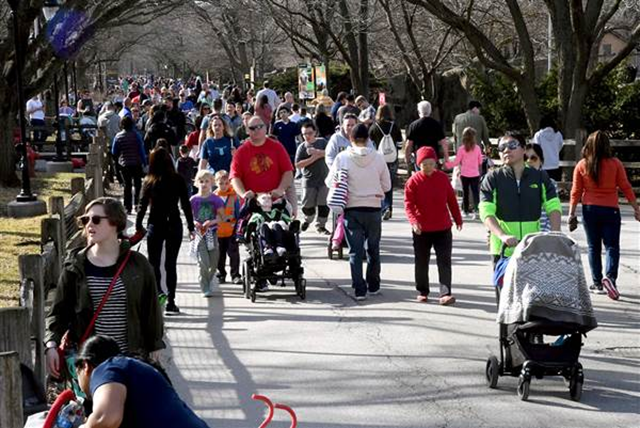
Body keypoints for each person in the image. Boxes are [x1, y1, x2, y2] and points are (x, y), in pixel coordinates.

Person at [45, 198, 164, 378]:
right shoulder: (75, 265)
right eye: (85, 220)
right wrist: (51, 344)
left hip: (129, 359)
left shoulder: (137, 264)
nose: (89, 225)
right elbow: (60, 311)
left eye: (96, 219)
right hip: (91, 363)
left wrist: (155, 345)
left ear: (115, 223)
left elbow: (151, 309)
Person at [74, 335, 209, 428]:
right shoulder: (135, 369)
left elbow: (106, 420)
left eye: (77, 374)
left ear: (85, 366)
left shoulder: (107, 368)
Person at [568, 130, 640, 298]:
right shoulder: (615, 164)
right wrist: (636, 207)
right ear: (607, 146)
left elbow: (576, 191)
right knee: (612, 246)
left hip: (590, 209)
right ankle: (611, 278)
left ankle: (597, 282)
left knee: (593, 247)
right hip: (611, 209)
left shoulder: (582, 165)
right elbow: (626, 186)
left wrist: (571, 213)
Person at [325, 124, 391, 301]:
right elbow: (387, 185)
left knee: (355, 251)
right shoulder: (378, 158)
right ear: (368, 139)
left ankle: (359, 289)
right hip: (374, 207)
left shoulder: (342, 158)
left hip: (351, 208)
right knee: (374, 248)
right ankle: (374, 284)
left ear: (351, 139)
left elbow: (330, 181)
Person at [479, 132, 562, 265]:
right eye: (502, 147)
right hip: (502, 250)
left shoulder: (540, 177)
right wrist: (502, 235)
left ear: (523, 149)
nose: (506, 150)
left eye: (512, 145)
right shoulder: (492, 178)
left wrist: (556, 235)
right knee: (504, 286)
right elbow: (486, 211)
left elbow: (553, 206)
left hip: (533, 250)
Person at [136, 148, 195, 315]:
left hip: (156, 223)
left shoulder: (149, 181)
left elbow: (142, 206)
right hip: (174, 223)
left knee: (153, 263)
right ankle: (171, 300)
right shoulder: (178, 179)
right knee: (171, 264)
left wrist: (140, 225)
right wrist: (191, 226)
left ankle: (159, 293)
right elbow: (185, 205)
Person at [405, 146, 463, 305]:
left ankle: (445, 293)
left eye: (431, 163)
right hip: (421, 229)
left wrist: (458, 218)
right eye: (424, 164)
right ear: (419, 165)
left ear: (436, 163)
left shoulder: (443, 178)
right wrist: (414, 222)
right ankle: (422, 290)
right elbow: (408, 205)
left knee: (444, 260)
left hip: (443, 227)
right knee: (421, 261)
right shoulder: (413, 181)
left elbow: (451, 200)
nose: (428, 167)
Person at [230, 115, 294, 201]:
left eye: (260, 126)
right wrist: (243, 194)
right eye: (252, 128)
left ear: (266, 128)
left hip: (275, 200)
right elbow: (235, 177)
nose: (256, 130)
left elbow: (288, 172)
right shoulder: (241, 152)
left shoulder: (277, 147)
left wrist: (280, 189)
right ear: (247, 131)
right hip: (252, 202)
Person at [191, 170, 225, 298]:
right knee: (202, 262)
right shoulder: (193, 199)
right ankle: (204, 286)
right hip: (199, 235)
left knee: (213, 262)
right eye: (201, 181)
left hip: (212, 233)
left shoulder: (216, 200)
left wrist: (211, 222)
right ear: (196, 183)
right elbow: (188, 217)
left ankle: (210, 279)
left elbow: (222, 217)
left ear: (212, 183)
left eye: (207, 181)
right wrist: (195, 223)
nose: (204, 184)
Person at [369, 104, 403, 220]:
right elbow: (399, 144)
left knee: (380, 184)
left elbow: (371, 145)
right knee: (390, 184)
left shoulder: (374, 127)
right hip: (392, 159)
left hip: (379, 160)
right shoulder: (394, 127)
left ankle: (383, 207)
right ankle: (389, 207)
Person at [295, 122, 330, 234]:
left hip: (324, 179)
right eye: (304, 134)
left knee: (323, 204)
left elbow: (330, 154)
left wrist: (318, 152)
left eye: (310, 133)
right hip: (308, 181)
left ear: (315, 132)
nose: (307, 136)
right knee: (307, 206)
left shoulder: (322, 142)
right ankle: (308, 219)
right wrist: (312, 158)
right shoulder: (302, 147)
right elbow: (298, 164)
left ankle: (321, 225)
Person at [444, 127, 483, 219]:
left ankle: (465, 211)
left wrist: (447, 165)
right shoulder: (477, 148)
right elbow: (480, 161)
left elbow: (457, 162)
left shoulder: (461, 149)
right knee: (475, 193)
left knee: (465, 193)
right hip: (475, 174)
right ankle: (477, 211)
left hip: (465, 174)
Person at [111, 116, 147, 214]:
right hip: (136, 163)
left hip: (124, 163)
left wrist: (116, 166)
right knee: (138, 184)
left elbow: (114, 152)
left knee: (127, 185)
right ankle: (137, 204)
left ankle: (128, 207)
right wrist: (145, 163)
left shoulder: (118, 136)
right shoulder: (137, 135)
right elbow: (141, 151)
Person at [214, 170, 242, 285]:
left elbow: (238, 213)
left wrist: (238, 228)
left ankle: (235, 275)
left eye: (226, 183)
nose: (224, 186)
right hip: (218, 231)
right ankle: (221, 274)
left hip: (231, 230)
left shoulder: (234, 196)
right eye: (221, 183)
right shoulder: (214, 197)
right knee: (219, 255)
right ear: (216, 183)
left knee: (234, 254)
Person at [405, 101, 448, 171]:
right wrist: (446, 157)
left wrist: (407, 157)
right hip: (433, 156)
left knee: (421, 179)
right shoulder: (436, 125)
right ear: (430, 111)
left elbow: (409, 144)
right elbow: (443, 142)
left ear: (419, 111)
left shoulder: (413, 125)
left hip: (419, 157)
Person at [533, 115, 564, 181]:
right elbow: (560, 146)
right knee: (554, 186)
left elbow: (536, 149)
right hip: (555, 164)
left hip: (542, 165)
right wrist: (555, 152)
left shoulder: (538, 135)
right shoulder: (558, 134)